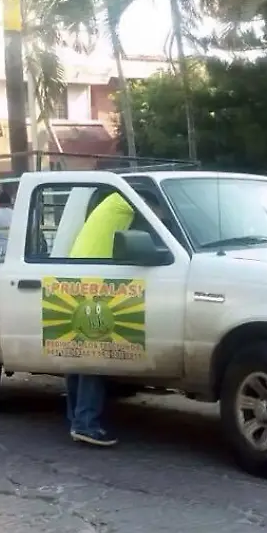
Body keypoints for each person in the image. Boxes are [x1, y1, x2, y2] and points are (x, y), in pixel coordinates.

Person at [62, 189, 171, 447]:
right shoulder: (129, 201)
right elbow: (159, 231)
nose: (158, 215)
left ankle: (77, 419)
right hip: (96, 280)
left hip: (76, 278)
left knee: (78, 356)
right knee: (95, 357)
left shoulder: (113, 202)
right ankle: (85, 424)